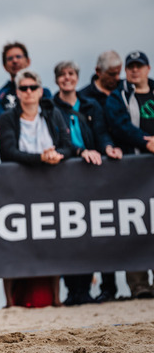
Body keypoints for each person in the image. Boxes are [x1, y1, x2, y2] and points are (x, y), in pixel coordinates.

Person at [0, 69, 74, 308]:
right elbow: (8, 152)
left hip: (50, 185)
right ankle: (9, 301)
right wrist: (40, 158)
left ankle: (56, 297)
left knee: (51, 239)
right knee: (13, 241)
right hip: (17, 185)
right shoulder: (8, 118)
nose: (28, 92)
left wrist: (57, 155)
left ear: (41, 91)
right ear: (17, 92)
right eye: (23, 88)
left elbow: (68, 146)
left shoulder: (53, 113)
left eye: (33, 88)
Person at [52, 60, 124, 305]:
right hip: (65, 175)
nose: (67, 78)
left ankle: (104, 288)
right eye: (62, 74)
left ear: (77, 76)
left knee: (98, 232)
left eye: (71, 73)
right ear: (57, 79)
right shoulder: (51, 106)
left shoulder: (90, 104)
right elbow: (58, 139)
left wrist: (108, 147)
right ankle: (75, 290)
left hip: (92, 173)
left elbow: (102, 132)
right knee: (69, 235)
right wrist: (79, 151)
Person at [105, 51, 154, 299]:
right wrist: (146, 143)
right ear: (125, 70)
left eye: (139, 66)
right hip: (132, 170)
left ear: (148, 68)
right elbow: (118, 125)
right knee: (134, 224)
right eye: (131, 66)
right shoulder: (119, 95)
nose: (135, 70)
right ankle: (139, 284)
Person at [78, 51, 124, 302]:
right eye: (112, 74)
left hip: (120, 166)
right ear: (98, 72)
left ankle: (115, 286)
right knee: (92, 230)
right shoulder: (84, 97)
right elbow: (98, 130)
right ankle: (89, 288)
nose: (117, 78)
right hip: (89, 169)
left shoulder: (124, 91)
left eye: (119, 73)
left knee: (115, 229)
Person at [0, 42, 52, 127]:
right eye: (10, 58)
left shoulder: (44, 93)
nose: (15, 61)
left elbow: (52, 121)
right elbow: (2, 125)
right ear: (4, 66)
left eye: (18, 56)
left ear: (28, 61)